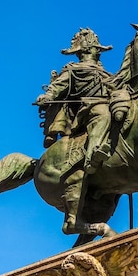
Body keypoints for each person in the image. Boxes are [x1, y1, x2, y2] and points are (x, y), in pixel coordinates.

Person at [36, 28, 114, 174]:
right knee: (102, 113)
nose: (99, 52)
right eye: (95, 49)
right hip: (86, 110)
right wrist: (47, 97)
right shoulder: (73, 70)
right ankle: (93, 154)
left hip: (109, 106)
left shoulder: (108, 74)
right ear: (85, 51)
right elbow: (58, 86)